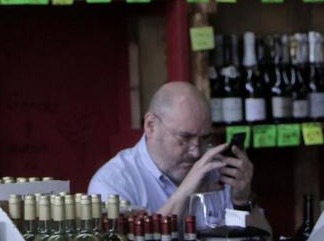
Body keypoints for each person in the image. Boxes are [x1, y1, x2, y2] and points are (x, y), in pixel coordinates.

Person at [88, 81, 272, 229]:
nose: (197, 151)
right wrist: (185, 190)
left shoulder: (216, 169)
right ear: (150, 125)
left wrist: (242, 201)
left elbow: (264, 235)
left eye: (204, 138)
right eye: (184, 137)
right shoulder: (112, 184)